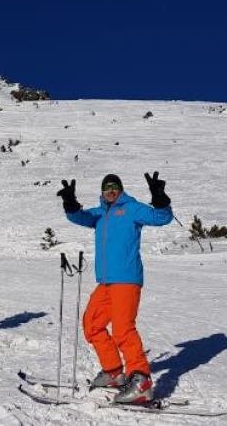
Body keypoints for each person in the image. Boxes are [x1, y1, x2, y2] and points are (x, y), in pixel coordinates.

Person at [57, 172, 172, 404]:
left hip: (127, 279)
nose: (110, 190)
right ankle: (113, 372)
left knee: (123, 330)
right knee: (92, 325)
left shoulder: (132, 209)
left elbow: (162, 218)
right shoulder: (100, 213)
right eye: (106, 187)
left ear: (120, 189)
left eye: (114, 187)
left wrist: (159, 198)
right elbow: (79, 217)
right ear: (102, 191)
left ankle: (141, 383)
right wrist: (69, 202)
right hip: (106, 282)